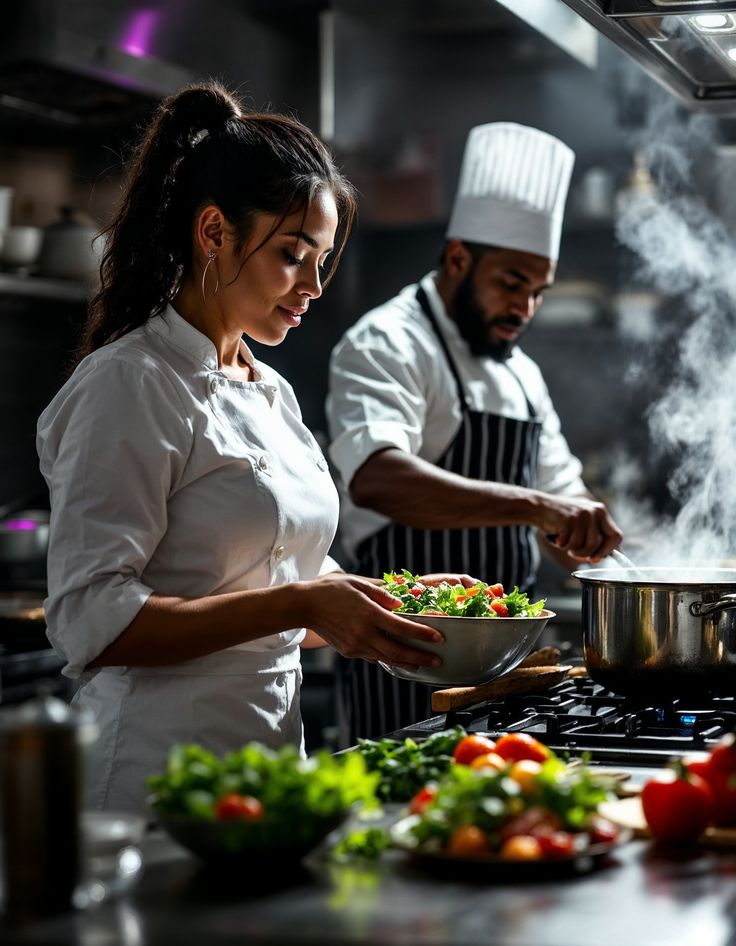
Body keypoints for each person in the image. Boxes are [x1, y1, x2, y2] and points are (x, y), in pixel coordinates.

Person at [36, 81, 471, 814]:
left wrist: (385, 602)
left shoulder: (270, 391)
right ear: (214, 232)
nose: (314, 285)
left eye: (322, 259)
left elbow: (275, 574)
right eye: (294, 254)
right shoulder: (131, 382)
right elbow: (90, 621)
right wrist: (302, 602)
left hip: (267, 775)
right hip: (154, 780)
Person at [326, 122, 623, 742]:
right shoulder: (388, 342)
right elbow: (378, 478)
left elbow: (564, 512)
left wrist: (613, 558)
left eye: (538, 292)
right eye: (512, 283)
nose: (524, 309)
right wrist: (539, 507)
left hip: (506, 674)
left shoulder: (522, 375)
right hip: (404, 663)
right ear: (459, 259)